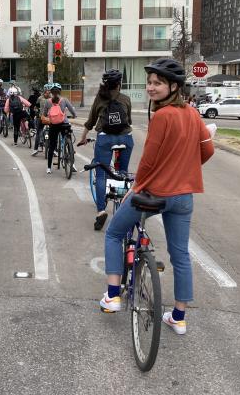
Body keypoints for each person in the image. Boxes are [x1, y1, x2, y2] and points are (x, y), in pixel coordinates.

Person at [99, 58, 215, 337]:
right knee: (180, 255)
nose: (151, 88)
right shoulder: (192, 114)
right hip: (184, 195)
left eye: (157, 83)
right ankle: (178, 317)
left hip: (155, 193)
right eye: (149, 82)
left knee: (114, 233)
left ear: (173, 86)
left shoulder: (163, 116)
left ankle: (113, 296)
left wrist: (136, 185)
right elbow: (207, 151)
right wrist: (184, 170)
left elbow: (149, 161)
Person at [78, 69, 133, 231]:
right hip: (125, 139)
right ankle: (123, 207)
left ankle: (101, 211)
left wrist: (83, 138)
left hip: (105, 139)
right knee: (123, 171)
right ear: (119, 84)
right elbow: (128, 120)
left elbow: (90, 121)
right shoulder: (126, 99)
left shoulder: (100, 98)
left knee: (101, 175)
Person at [42, 83, 77, 174]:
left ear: (51, 92)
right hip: (64, 124)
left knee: (52, 145)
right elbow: (72, 110)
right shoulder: (64, 100)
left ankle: (49, 168)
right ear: (60, 91)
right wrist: (74, 116)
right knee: (68, 139)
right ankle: (72, 163)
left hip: (53, 125)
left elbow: (44, 114)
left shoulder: (48, 102)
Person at [31, 84, 52, 156]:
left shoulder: (53, 98)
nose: (48, 93)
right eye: (46, 92)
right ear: (44, 92)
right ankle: (35, 149)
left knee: (54, 133)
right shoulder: (40, 98)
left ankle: (54, 150)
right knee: (39, 133)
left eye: (49, 92)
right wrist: (36, 112)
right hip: (41, 117)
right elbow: (36, 107)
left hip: (51, 118)